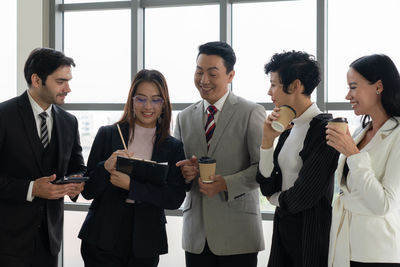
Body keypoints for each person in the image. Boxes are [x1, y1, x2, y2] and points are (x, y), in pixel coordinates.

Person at [78, 69, 186, 267]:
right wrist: (105, 167)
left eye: (155, 100)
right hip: (102, 236)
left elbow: (174, 198)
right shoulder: (108, 134)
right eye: (141, 99)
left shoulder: (173, 147)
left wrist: (131, 186)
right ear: (131, 100)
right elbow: (87, 191)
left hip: (146, 240)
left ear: (164, 104)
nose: (148, 106)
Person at [175, 41, 265, 267]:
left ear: (231, 75)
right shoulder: (184, 117)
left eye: (212, 73)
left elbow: (263, 169)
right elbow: (176, 171)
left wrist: (226, 183)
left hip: (239, 234)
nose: (203, 80)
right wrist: (184, 173)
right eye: (199, 72)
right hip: (196, 235)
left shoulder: (251, 112)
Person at [0, 48, 86, 267]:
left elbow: (78, 167)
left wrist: (76, 183)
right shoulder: (3, 116)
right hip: (7, 242)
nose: (68, 88)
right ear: (36, 80)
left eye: (68, 81)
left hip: (49, 242)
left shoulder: (69, 122)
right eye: (61, 81)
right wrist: (32, 189)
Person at [256, 51, 339, 267]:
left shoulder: (325, 130)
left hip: (310, 237)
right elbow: (266, 185)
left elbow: (304, 195)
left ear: (295, 86)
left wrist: (275, 199)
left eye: (274, 84)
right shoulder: (287, 127)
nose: (269, 92)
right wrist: (266, 142)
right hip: (283, 231)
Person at [327, 54, 400, 267]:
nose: (347, 95)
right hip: (346, 245)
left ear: (378, 86)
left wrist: (352, 154)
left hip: (377, 252)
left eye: (353, 87)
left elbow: (384, 204)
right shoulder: (361, 131)